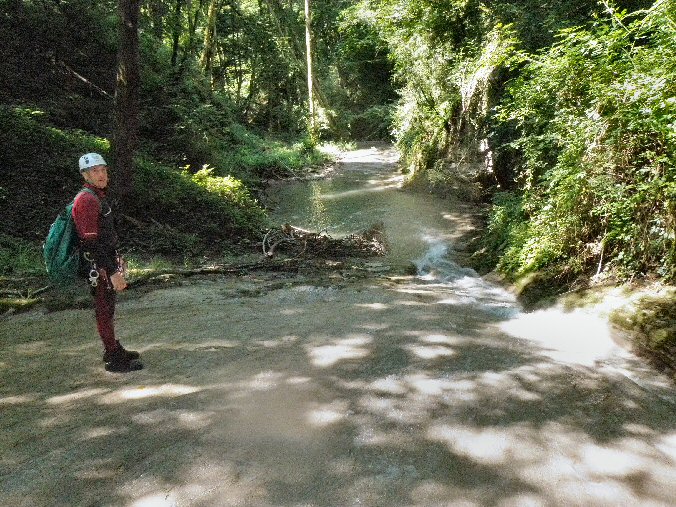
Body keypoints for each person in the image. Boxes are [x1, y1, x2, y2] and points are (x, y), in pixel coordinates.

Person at [72, 153, 143, 373]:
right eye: (95, 171)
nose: (101, 174)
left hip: (104, 262)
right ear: (85, 175)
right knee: (104, 309)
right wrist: (111, 271)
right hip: (98, 266)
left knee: (108, 308)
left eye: (103, 169)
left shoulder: (97, 196)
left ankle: (112, 348)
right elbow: (89, 242)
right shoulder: (87, 200)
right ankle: (113, 358)